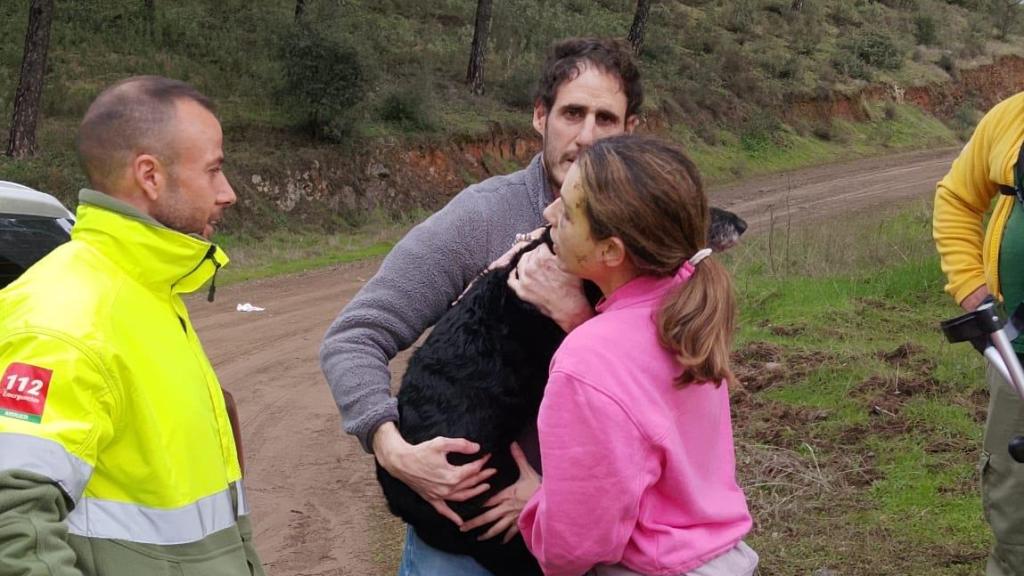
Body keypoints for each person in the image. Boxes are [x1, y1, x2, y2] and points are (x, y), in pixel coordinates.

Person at [319, 37, 642, 573]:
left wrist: (576, 320)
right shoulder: (481, 218)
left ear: (631, 129)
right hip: (463, 545)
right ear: (540, 116)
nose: (586, 137)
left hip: (587, 527)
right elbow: (354, 336)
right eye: (572, 113)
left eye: (605, 119)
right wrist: (392, 448)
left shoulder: (648, 232)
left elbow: (658, 389)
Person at [457, 135, 756, 576]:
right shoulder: (686, 312)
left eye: (567, 212)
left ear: (610, 251)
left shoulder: (587, 361)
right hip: (722, 559)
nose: (549, 214)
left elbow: (573, 547)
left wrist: (540, 502)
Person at [0, 76, 264, 575]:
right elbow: (13, 531)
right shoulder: (65, 317)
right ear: (150, 176)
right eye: (213, 170)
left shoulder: (146, 294)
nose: (227, 193)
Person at [933, 91, 1024, 576]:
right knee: (1015, 502)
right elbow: (956, 199)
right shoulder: (1012, 117)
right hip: (1017, 357)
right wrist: (971, 287)